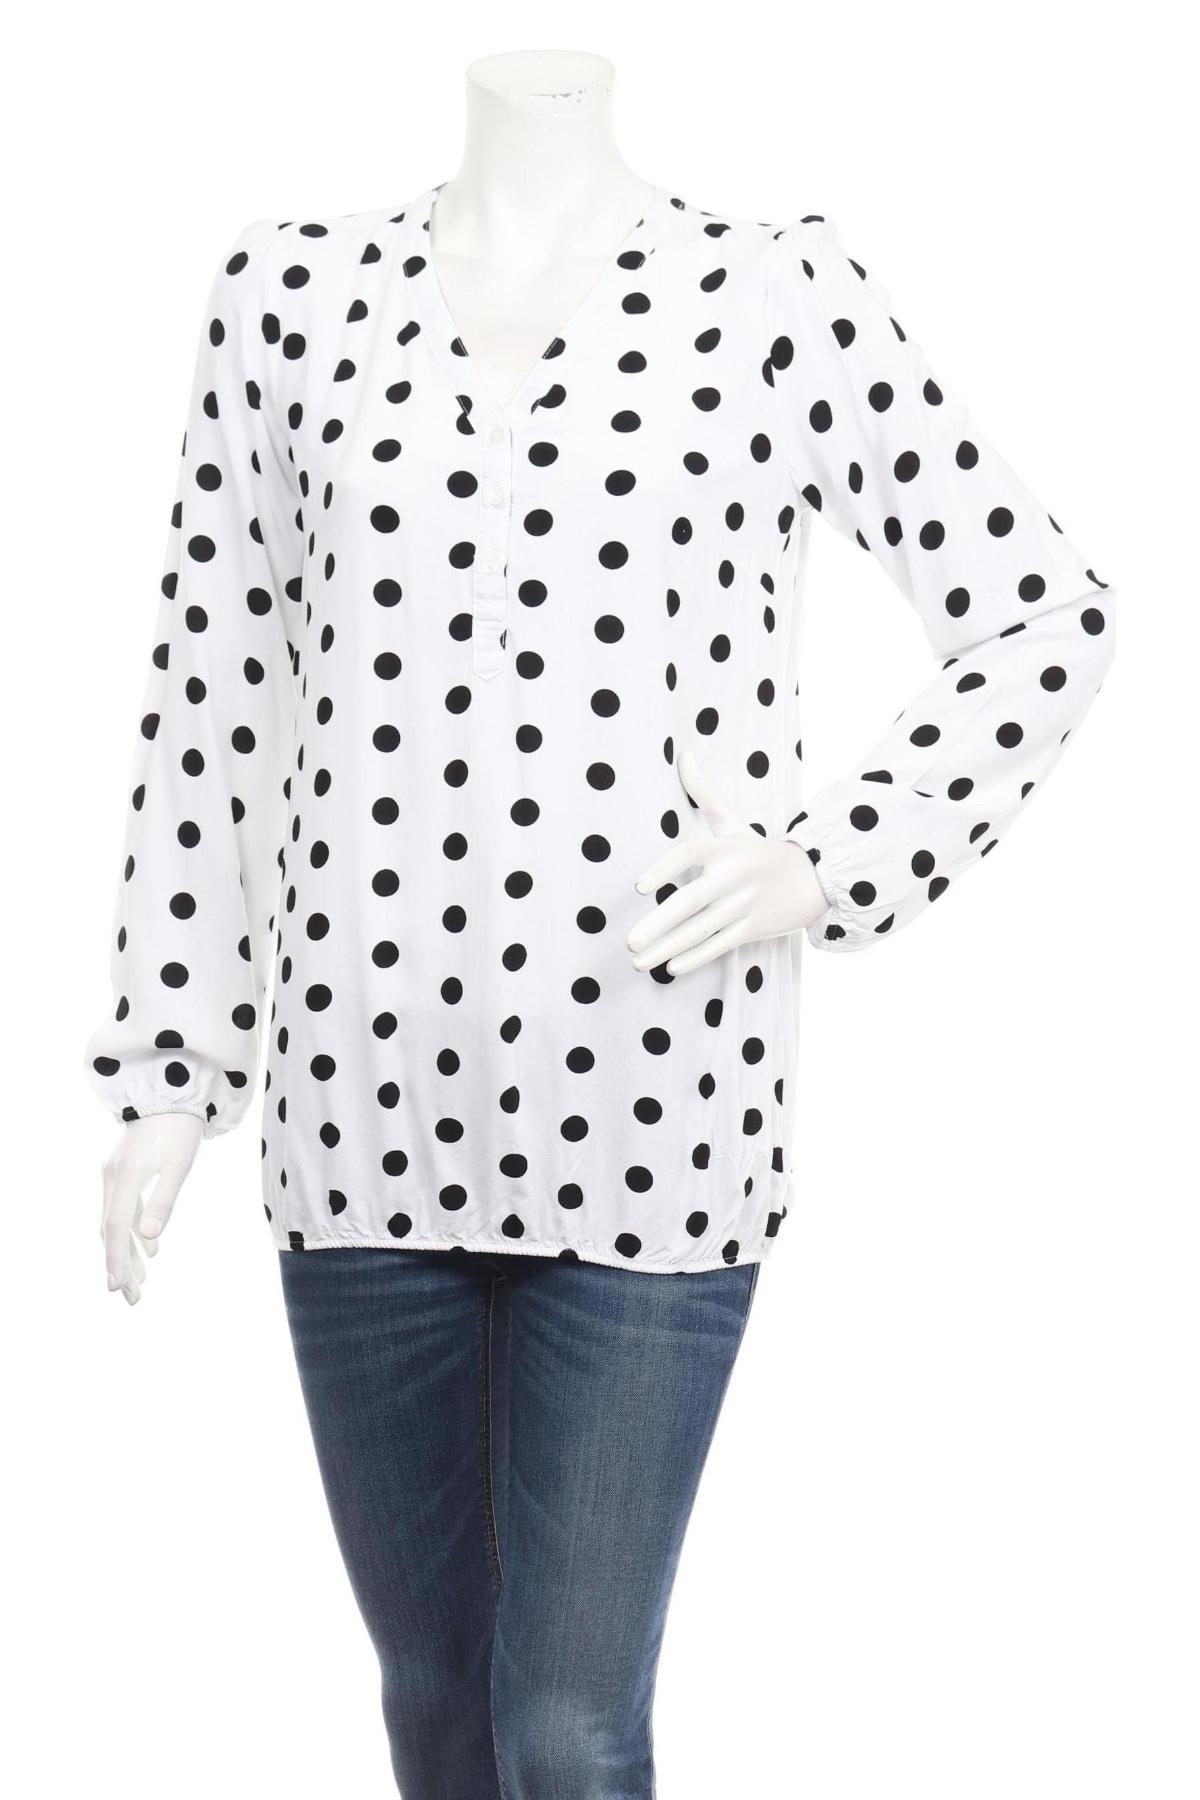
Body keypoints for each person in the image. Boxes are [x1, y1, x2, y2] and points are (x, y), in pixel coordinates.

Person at [87, 48, 1114, 1800]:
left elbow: (1041, 612)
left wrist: (831, 859)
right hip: (360, 1123)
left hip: (656, 1117)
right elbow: (217, 699)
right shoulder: (286, 300)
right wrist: (172, 1069)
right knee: (433, 1704)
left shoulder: (770, 293)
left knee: (566, 1725)